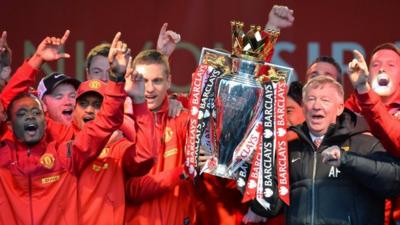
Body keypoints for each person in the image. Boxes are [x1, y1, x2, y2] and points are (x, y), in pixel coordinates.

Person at [0, 41, 127, 225]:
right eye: (21, 114)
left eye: (36, 113)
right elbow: (4, 104)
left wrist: (116, 79)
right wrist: (36, 60)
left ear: (45, 118)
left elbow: (104, 124)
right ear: (9, 123)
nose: (30, 117)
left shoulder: (64, 156)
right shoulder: (3, 154)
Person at [254, 75, 400, 224]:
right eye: (311, 99)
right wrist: (250, 166)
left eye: (325, 100)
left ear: (339, 108)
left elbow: (394, 182)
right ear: (304, 108)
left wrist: (347, 160)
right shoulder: (290, 150)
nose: (317, 105)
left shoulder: (364, 143)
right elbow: (268, 208)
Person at [347, 44, 400, 224]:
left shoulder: (363, 94)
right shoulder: (350, 108)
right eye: (376, 64)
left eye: (391, 65)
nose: (382, 68)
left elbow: (395, 137)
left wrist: (365, 92)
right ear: (368, 72)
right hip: (359, 214)